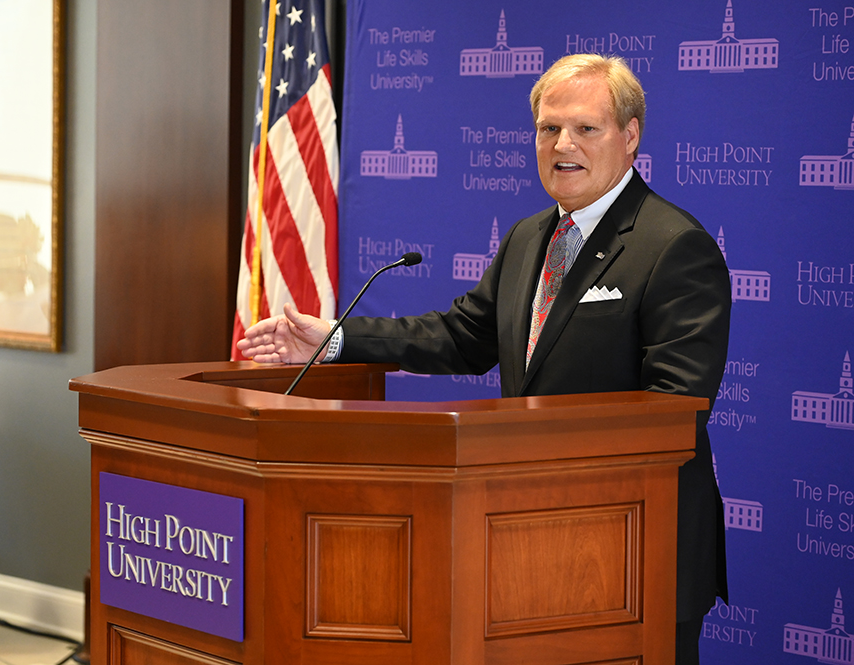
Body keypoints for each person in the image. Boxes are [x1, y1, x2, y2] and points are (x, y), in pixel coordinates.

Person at [237, 53, 731, 665]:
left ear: (630, 138)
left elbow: (674, 410)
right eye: (548, 129)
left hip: (631, 549)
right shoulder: (530, 236)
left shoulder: (675, 246)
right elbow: (460, 336)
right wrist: (336, 341)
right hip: (522, 534)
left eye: (585, 128)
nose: (562, 144)